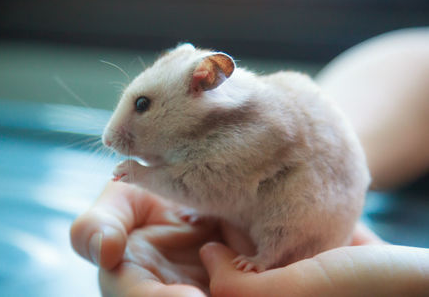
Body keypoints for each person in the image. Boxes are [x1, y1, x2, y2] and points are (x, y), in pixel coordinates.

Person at [70, 28, 429, 296]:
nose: (112, 136)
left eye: (143, 106)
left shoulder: (246, 135)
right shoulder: (248, 122)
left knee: (283, 219)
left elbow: (207, 185)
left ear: (204, 81)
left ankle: (268, 257)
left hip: (308, 217)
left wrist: (145, 177)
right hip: (318, 179)